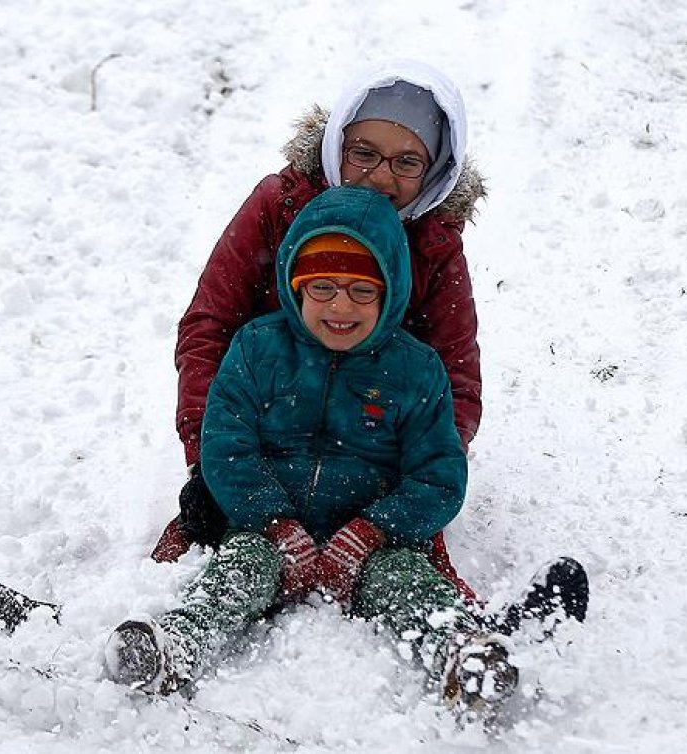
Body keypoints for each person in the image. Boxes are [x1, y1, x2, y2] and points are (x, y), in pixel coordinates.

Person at [105, 186, 517, 718]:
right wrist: (274, 523)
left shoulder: (416, 371)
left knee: (407, 582)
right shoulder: (256, 350)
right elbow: (226, 449)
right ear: (295, 285)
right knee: (238, 569)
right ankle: (174, 647)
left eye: (362, 291)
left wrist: (373, 531)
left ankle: (461, 654)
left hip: (372, 540)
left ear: (391, 292)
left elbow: (438, 475)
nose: (340, 306)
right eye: (322, 286)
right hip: (268, 529)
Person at [152, 59, 485, 601]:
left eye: (407, 162)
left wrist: (416, 479)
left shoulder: (434, 241)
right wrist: (206, 457)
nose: (381, 176)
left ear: (435, 172)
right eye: (364, 153)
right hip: (272, 424)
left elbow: (456, 377)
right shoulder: (282, 206)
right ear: (337, 144)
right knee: (218, 563)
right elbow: (209, 325)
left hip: (373, 438)